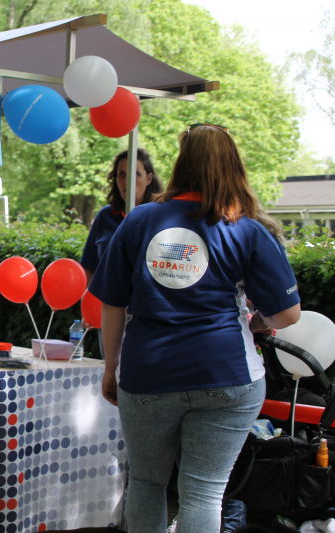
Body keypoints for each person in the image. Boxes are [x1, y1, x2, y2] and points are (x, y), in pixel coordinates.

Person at [88, 124, 301, 532]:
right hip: (227, 376)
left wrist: (110, 368)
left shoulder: (139, 220)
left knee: (148, 484)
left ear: (181, 165)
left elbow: (112, 303)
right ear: (234, 166)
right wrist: (255, 323)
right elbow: (288, 315)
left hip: (148, 374)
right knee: (204, 492)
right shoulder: (247, 228)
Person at [80, 148, 163, 287]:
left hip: (144, 305)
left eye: (136, 174)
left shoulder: (159, 217)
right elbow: (89, 266)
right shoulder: (105, 216)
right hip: (107, 306)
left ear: (149, 179)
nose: (127, 181)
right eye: (122, 174)